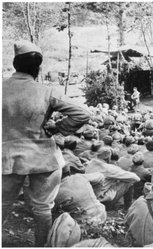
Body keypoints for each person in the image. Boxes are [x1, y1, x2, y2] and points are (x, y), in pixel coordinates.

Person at [2, 41, 90, 246]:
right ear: (38, 68)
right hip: (43, 157)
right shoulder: (47, 91)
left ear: (15, 64)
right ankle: (41, 245)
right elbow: (83, 113)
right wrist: (57, 128)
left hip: (7, 157)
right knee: (42, 208)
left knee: (2, 205)